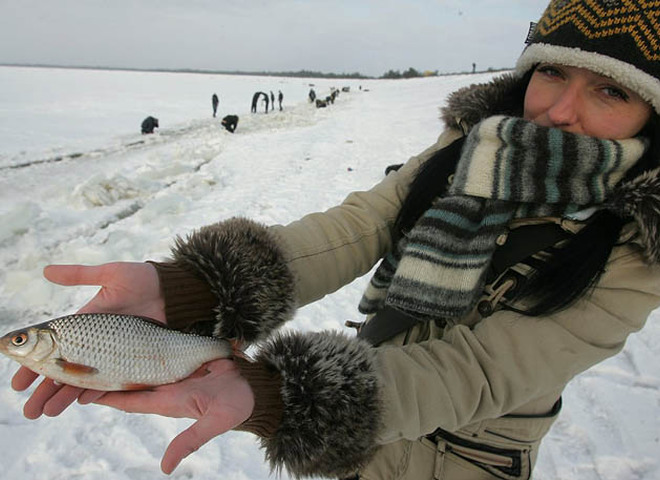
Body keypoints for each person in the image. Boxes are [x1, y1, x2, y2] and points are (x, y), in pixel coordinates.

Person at [11, 1, 660, 479]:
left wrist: (284, 395)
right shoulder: (472, 149)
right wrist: (196, 286)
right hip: (360, 433)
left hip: (463, 460)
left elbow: (478, 372)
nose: (560, 110)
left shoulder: (638, 250)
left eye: (608, 89)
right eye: (551, 74)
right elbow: (360, 226)